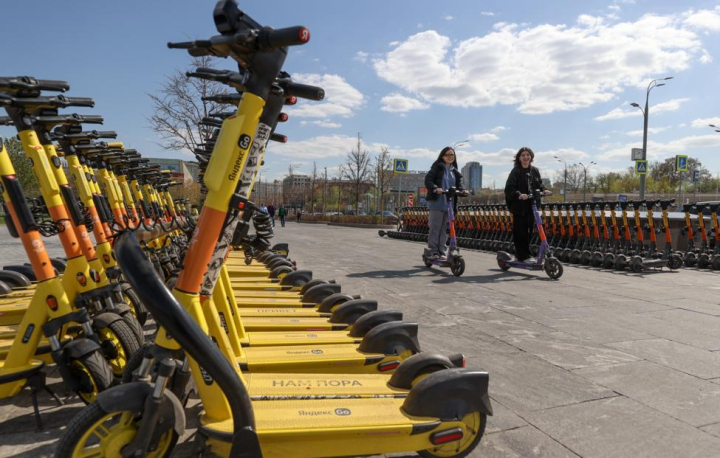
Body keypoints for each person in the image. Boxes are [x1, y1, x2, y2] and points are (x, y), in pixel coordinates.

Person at [504, 146, 548, 263]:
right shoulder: (516, 171)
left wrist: (544, 190)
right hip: (519, 207)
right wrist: (519, 194)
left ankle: (525, 254)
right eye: (523, 155)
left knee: (529, 231)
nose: (525, 157)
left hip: (532, 205)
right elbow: (509, 188)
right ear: (519, 158)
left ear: (531, 157)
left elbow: (539, 184)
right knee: (520, 232)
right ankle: (523, 256)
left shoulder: (535, 170)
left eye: (528, 155)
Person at [424, 146, 464, 261]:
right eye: (448, 155)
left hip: (449, 204)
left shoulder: (454, 171)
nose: (450, 157)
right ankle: (433, 251)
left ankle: (441, 251)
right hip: (437, 202)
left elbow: (459, 184)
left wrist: (463, 190)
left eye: (452, 155)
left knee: (445, 229)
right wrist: (435, 188)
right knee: (435, 227)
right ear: (442, 156)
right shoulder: (437, 168)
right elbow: (428, 180)